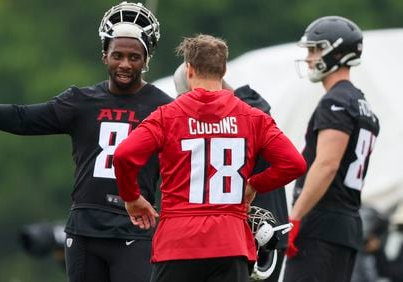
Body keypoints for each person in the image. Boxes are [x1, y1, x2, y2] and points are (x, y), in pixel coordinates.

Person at [0, 2, 173, 282]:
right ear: (104, 55)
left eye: (134, 57)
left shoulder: (164, 108)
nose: (125, 64)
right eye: (117, 55)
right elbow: (24, 119)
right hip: (85, 228)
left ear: (146, 59)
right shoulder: (81, 101)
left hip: (132, 229)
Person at [113, 34, 306, 282]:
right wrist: (255, 185)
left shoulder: (166, 116)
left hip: (178, 242)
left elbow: (123, 155)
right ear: (224, 70)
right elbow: (294, 164)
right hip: (231, 242)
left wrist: (132, 198)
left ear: (189, 70)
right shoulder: (252, 117)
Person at [283, 16, 380, 282]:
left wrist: (296, 217)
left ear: (335, 52)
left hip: (322, 224)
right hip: (346, 223)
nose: (309, 57)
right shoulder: (362, 104)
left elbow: (327, 164)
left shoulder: (336, 101)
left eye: (315, 49)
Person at [173, 63, 289, 282]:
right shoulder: (252, 112)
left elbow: (292, 163)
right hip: (263, 229)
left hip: (250, 233)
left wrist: (254, 185)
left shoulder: (242, 115)